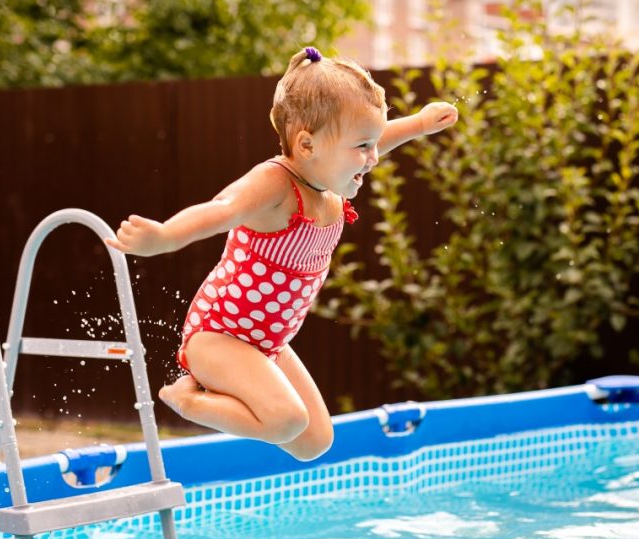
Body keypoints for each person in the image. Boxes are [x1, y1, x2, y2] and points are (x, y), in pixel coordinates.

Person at [106, 46, 457, 461]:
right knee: (286, 420)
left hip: (268, 340)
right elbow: (222, 209)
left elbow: (381, 140)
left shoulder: (328, 178)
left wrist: (418, 124)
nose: (374, 157)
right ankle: (186, 399)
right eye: (363, 146)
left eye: (374, 142)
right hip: (219, 335)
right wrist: (164, 237)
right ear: (307, 144)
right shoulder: (276, 185)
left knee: (314, 442)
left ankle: (220, 396)